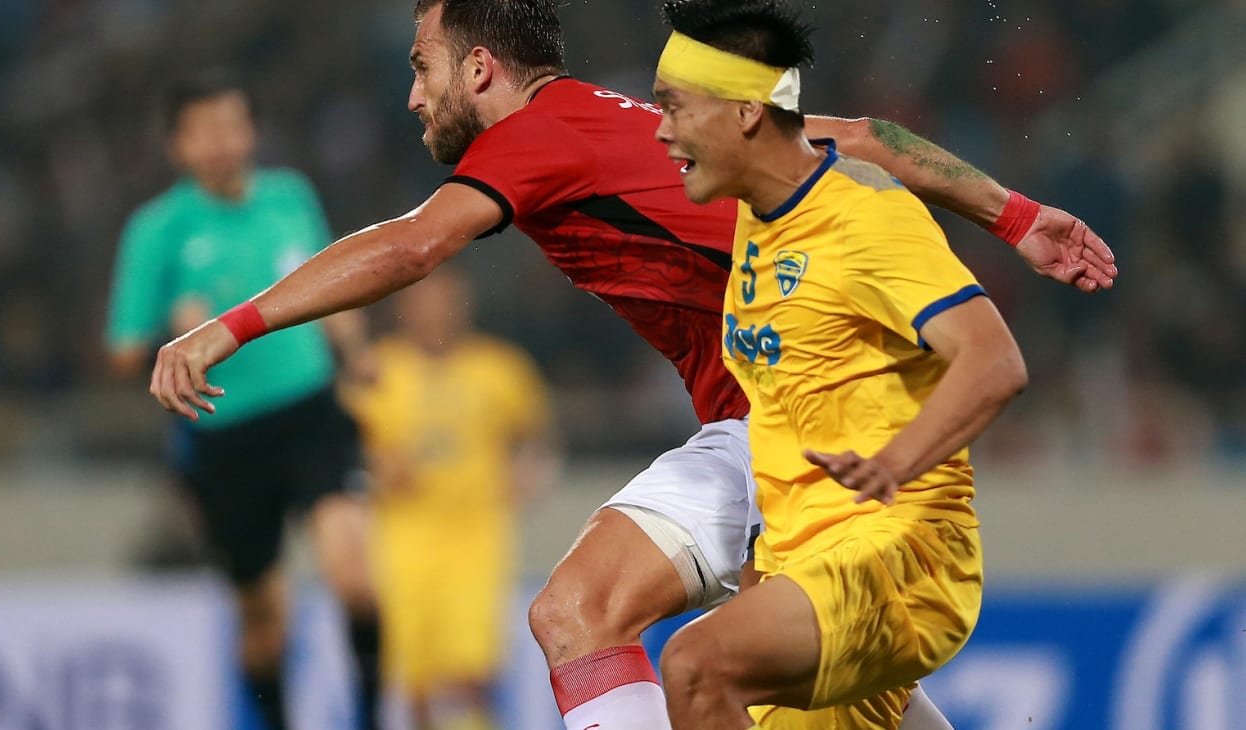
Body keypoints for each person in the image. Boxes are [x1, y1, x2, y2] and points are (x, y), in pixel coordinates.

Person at [147, 2, 1115, 728]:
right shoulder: (635, 125)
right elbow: (860, 137)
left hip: (799, 431)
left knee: (586, 611)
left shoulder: (534, 137)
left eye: (421, 67)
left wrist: (230, 326)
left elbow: (410, 245)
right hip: (774, 431)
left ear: (480, 68)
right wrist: (1017, 215)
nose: (412, 96)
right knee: (815, 695)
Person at [648, 1, 1029, 727]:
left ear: (746, 113)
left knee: (694, 665)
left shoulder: (864, 217)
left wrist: (895, 463)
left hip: (900, 555)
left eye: (674, 106)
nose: (660, 129)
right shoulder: (759, 205)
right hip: (802, 571)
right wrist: (759, 573)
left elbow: (993, 360)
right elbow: (854, 131)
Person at [103, 70, 381, 729]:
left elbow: (328, 285)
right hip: (225, 438)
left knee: (355, 580)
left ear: (252, 131)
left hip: (310, 411)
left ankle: (371, 719)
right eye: (204, 131)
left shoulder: (290, 195)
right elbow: (121, 351)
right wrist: (173, 329)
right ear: (177, 145)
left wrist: (355, 350)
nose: (222, 143)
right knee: (264, 621)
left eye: (232, 126)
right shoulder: (157, 229)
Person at [344, 268, 556, 730]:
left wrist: (528, 473)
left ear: (463, 306)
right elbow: (347, 448)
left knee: (469, 669)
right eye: (423, 301)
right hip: (402, 536)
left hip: (475, 536)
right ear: (404, 309)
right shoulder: (378, 369)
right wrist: (375, 469)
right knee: (414, 677)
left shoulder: (500, 368)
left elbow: (536, 436)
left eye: (444, 300)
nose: (434, 312)